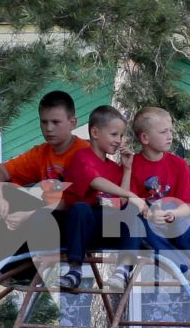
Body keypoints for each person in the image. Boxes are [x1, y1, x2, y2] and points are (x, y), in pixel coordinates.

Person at [0, 90, 92, 283]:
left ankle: (25, 268)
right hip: (44, 219)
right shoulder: (41, 153)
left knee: (49, 213)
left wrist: (28, 215)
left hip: (76, 222)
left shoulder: (86, 153)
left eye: (55, 122)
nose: (48, 128)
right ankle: (17, 266)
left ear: (72, 123)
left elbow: (75, 201)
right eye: (44, 122)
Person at [121, 105, 190, 286]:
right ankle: (185, 271)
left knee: (186, 225)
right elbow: (128, 200)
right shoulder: (133, 165)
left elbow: (185, 208)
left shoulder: (178, 164)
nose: (170, 136)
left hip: (174, 220)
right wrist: (149, 213)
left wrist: (172, 215)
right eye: (163, 132)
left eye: (170, 131)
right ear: (145, 138)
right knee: (143, 228)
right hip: (149, 224)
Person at [56, 104, 146, 292]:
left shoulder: (114, 168)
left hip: (104, 227)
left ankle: (122, 272)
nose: (119, 141)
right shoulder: (82, 157)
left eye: (121, 136)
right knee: (82, 209)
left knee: (132, 218)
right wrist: (129, 195)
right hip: (78, 228)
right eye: (114, 135)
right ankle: (74, 270)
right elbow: (95, 181)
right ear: (95, 132)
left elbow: (120, 203)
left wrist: (127, 168)